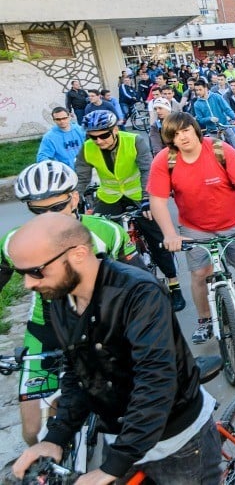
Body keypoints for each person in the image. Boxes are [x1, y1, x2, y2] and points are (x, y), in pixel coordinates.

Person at [9, 213, 222, 485]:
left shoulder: (139, 293)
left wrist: (114, 465)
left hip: (175, 444)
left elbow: (155, 382)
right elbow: (78, 372)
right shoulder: (59, 296)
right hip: (122, 437)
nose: (29, 284)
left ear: (78, 254)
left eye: (36, 271)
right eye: (21, 274)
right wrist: (55, 438)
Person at [3, 161, 142, 446]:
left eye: (56, 208)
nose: (47, 219)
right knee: (33, 434)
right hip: (46, 331)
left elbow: (142, 284)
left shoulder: (106, 232)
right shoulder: (14, 242)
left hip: (101, 329)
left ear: (75, 199)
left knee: (126, 424)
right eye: (37, 211)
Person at [148, 112, 235, 342]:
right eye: (175, 135)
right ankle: (204, 320)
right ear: (170, 140)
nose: (182, 137)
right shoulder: (165, 160)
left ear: (196, 129)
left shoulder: (221, 150)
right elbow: (157, 200)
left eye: (186, 130)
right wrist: (170, 234)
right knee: (199, 274)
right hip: (195, 227)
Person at [74, 110, 184, 311]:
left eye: (104, 135)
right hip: (109, 198)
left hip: (137, 195)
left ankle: (174, 284)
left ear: (115, 129)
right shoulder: (86, 149)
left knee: (157, 238)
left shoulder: (134, 141)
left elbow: (146, 170)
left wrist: (145, 200)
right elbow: (81, 178)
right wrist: (73, 202)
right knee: (100, 241)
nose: (98, 141)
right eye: (93, 136)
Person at [191, 78, 235, 147]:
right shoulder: (197, 104)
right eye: (196, 90)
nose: (198, 92)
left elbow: (227, 109)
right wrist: (210, 119)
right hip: (212, 131)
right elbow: (200, 119)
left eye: (200, 89)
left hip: (225, 126)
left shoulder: (216, 96)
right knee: (217, 151)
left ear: (206, 88)